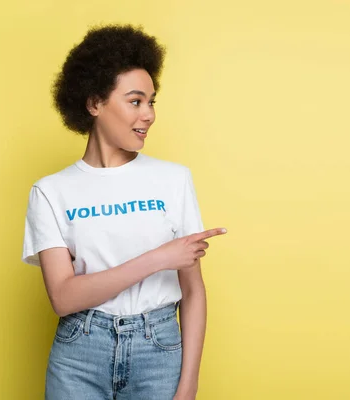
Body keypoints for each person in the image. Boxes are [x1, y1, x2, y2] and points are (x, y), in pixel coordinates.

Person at [21, 24, 227, 400]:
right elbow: (64, 298)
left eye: (152, 101)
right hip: (79, 355)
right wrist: (159, 258)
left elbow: (193, 292)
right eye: (135, 101)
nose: (148, 114)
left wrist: (189, 384)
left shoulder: (173, 180)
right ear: (94, 103)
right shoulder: (50, 192)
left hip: (159, 352)